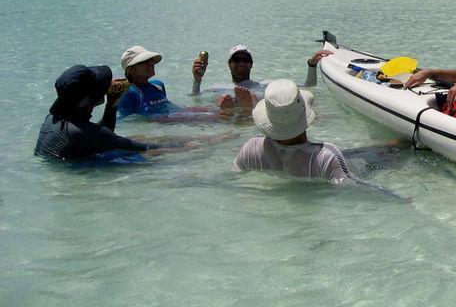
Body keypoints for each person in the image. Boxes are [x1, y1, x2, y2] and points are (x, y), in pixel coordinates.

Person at [234, 79, 352, 183]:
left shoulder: (251, 149)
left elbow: (233, 176)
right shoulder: (326, 157)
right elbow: (351, 190)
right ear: (304, 112)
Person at [35, 65, 162, 161]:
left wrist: (112, 103)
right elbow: (146, 148)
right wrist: (179, 147)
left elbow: (103, 136)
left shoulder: (53, 118)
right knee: (154, 156)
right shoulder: (82, 132)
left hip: (65, 170)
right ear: (90, 101)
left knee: (138, 137)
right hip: (80, 177)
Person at [192, 46, 333, 96]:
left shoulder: (266, 85)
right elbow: (195, 101)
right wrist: (197, 81)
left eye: (245, 60)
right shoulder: (217, 88)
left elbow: (309, 87)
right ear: (229, 64)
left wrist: (312, 65)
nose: (241, 63)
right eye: (237, 60)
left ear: (251, 64)